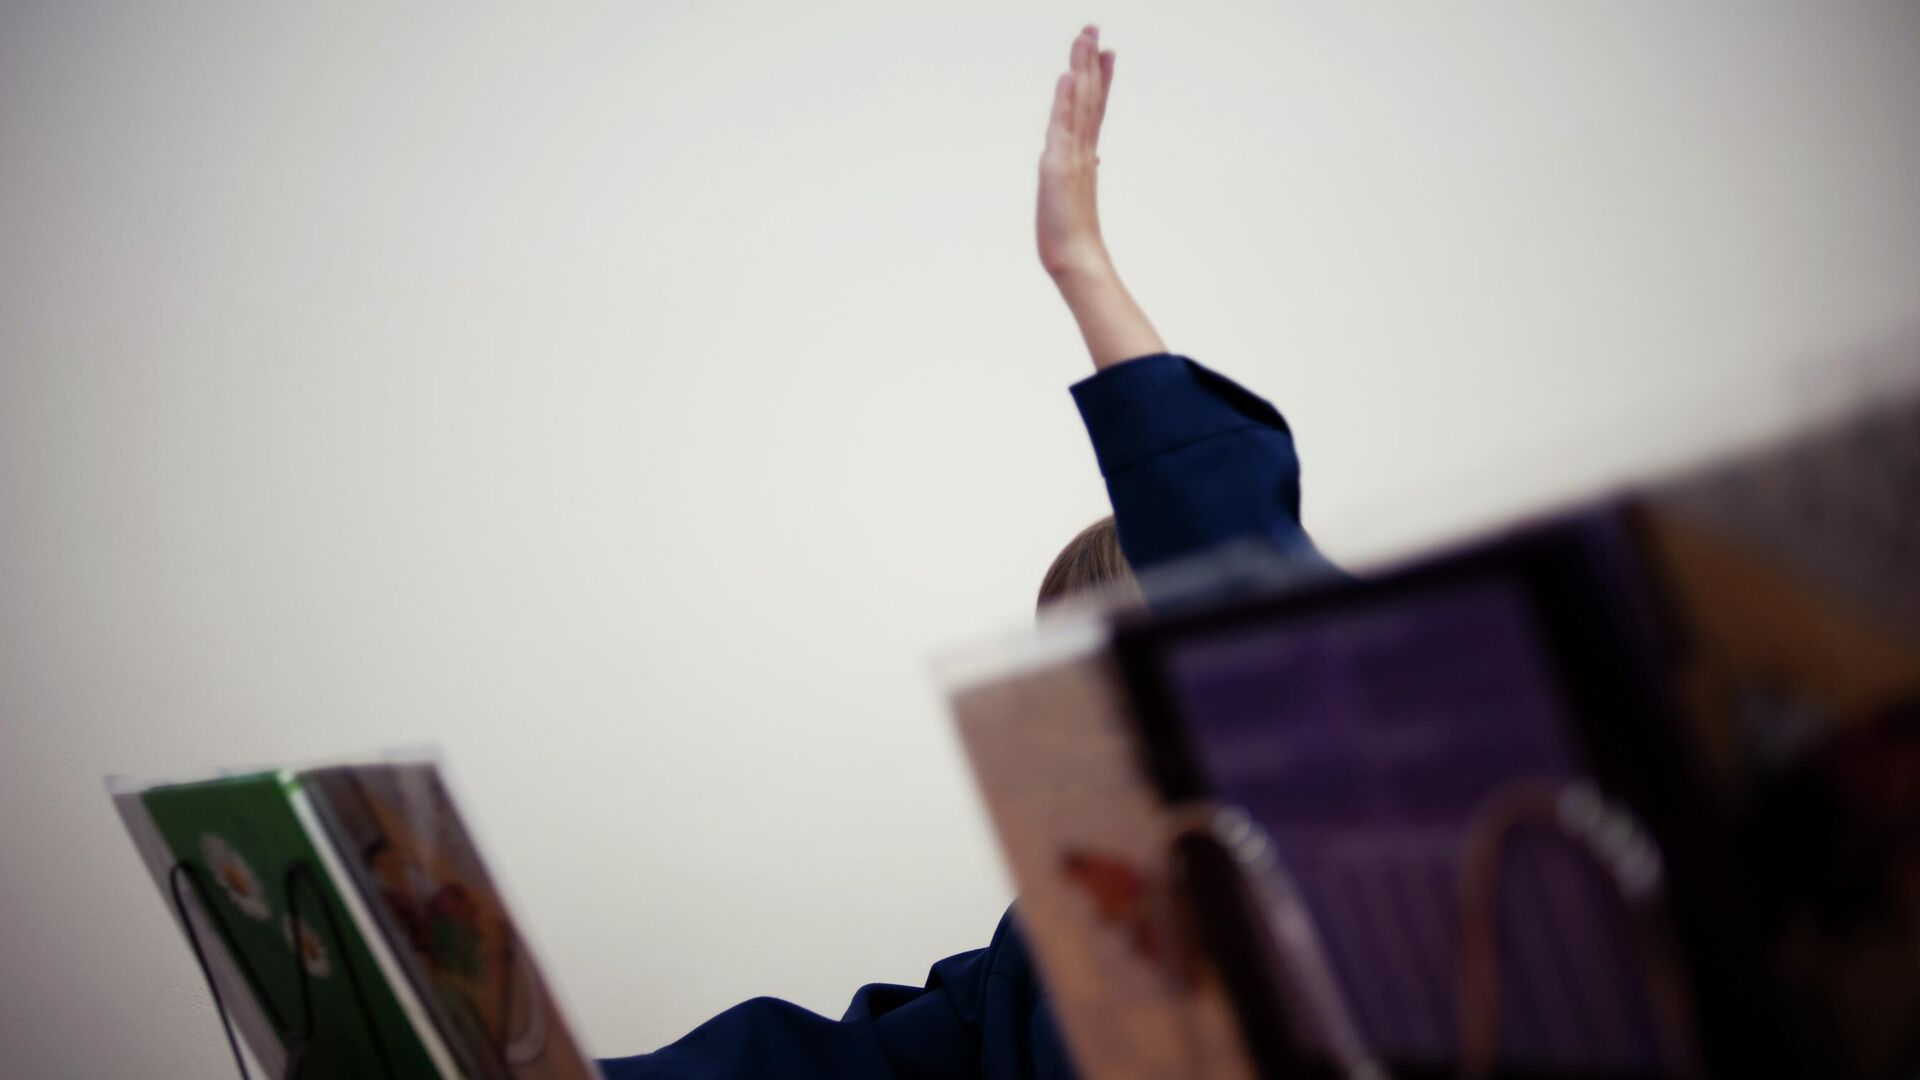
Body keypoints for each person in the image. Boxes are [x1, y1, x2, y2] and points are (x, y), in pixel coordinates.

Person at [598, 24, 1326, 1080]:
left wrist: (1083, 269)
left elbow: (1252, 593)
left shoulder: (1350, 924)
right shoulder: (1055, 945)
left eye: (1130, 685)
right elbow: (838, 1066)